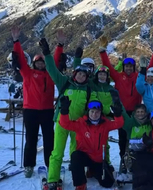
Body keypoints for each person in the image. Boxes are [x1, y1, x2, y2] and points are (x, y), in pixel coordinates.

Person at [38, 37, 98, 189]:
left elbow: (91, 108)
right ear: (75, 74)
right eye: (79, 74)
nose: (81, 77)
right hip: (61, 123)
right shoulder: (64, 82)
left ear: (87, 77)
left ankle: (79, 181)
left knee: (76, 154)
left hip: (78, 126)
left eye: (84, 75)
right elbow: (52, 69)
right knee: (57, 153)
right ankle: (52, 179)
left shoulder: (88, 89)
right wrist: (46, 53)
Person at [11, 26, 63, 178]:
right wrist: (16, 41)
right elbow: (20, 57)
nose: (41, 64)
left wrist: (60, 46)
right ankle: (28, 165)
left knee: (49, 139)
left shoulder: (50, 74)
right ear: (34, 64)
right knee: (31, 139)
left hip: (47, 111)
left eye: (42, 63)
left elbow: (54, 61)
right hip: (31, 111)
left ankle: (50, 163)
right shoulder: (27, 73)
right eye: (38, 62)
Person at [58, 89, 124, 190]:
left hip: (98, 160)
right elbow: (65, 124)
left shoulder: (105, 124)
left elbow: (119, 124)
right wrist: (64, 111)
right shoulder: (81, 123)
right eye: (92, 112)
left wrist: (118, 114)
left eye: (97, 112)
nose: (94, 114)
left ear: (100, 113)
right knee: (75, 156)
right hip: (84, 156)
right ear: (88, 112)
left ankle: (92, 170)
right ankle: (81, 184)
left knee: (108, 183)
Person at [99, 36, 142, 171]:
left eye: (131, 66)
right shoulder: (118, 76)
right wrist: (102, 51)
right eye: (126, 66)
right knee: (123, 139)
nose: (128, 68)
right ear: (123, 67)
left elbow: (151, 69)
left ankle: (135, 162)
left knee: (136, 138)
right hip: (122, 112)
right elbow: (108, 67)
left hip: (136, 113)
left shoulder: (139, 77)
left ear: (133, 67)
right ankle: (123, 161)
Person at [120, 104, 153, 190]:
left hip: (148, 150)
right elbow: (124, 114)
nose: (140, 114)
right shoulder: (131, 123)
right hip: (134, 152)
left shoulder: (149, 122)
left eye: (142, 112)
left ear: (145, 113)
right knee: (138, 165)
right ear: (135, 113)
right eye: (138, 112)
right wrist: (119, 104)